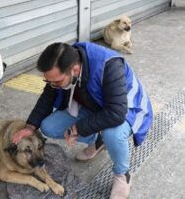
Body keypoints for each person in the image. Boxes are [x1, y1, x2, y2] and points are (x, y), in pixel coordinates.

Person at [12, 42, 153, 198]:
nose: (52, 85)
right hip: (94, 106)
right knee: (48, 127)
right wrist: (31, 127)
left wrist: (77, 128)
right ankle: (98, 141)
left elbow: (116, 113)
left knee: (112, 133)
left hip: (128, 109)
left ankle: (122, 174)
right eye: (48, 82)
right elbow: (48, 96)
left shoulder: (110, 65)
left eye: (56, 82)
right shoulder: (64, 62)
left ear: (75, 70)